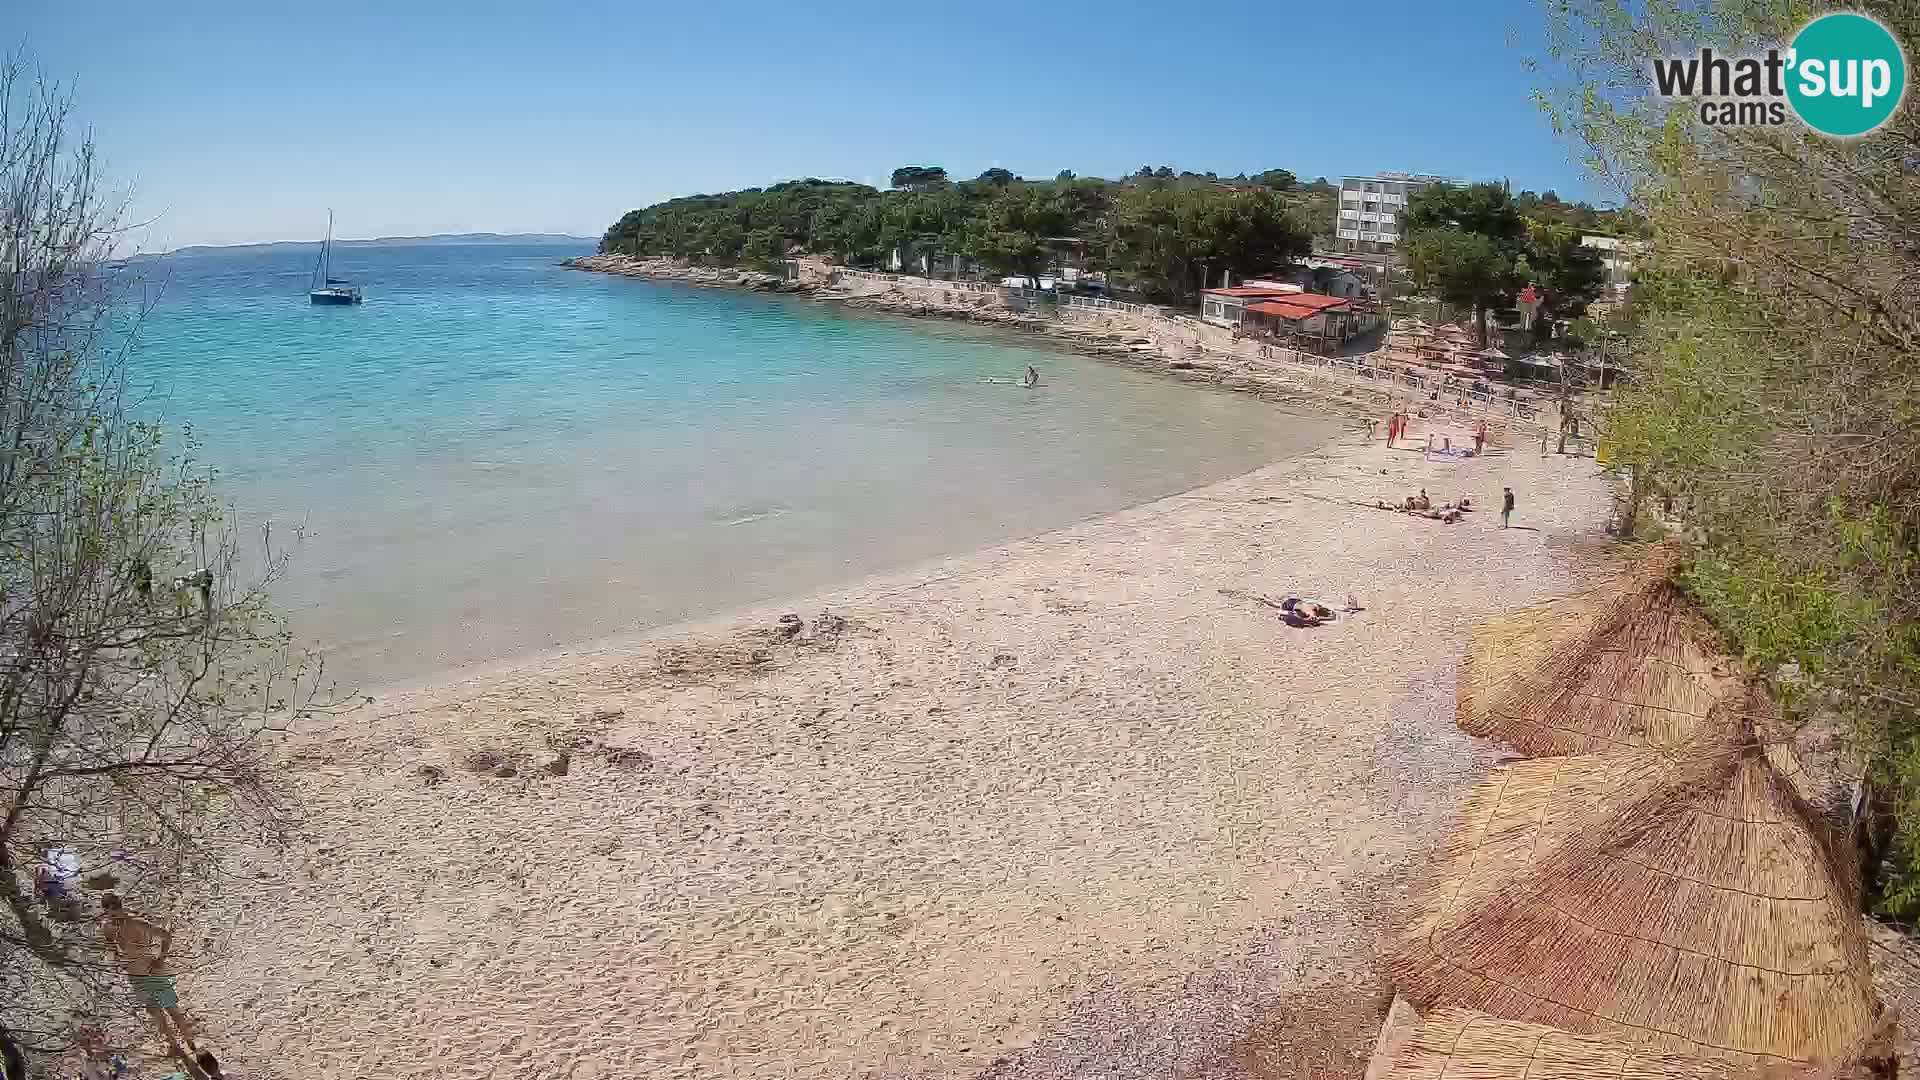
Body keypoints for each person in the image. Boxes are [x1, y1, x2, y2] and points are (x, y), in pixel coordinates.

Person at [98, 894, 198, 1060]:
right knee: (155, 1012)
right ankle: (173, 1044)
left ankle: (189, 1041)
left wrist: (161, 958)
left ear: (120, 907)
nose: (114, 915)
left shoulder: (137, 922)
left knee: (171, 1008)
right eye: (110, 912)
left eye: (116, 911)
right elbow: (110, 945)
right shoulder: (107, 926)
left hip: (151, 970)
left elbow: (166, 936)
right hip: (135, 974)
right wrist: (115, 959)